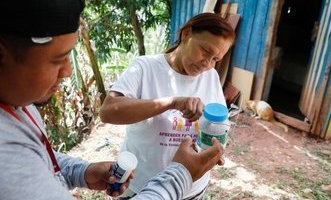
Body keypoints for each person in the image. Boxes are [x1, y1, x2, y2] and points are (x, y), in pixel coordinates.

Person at [0, 0, 225, 200]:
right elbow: (110, 110)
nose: (67, 72)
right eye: (58, 60)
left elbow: (39, 159)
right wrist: (181, 174)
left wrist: (79, 171)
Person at [100, 13, 235, 199]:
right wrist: (172, 102)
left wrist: (215, 147)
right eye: (205, 50)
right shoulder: (145, 67)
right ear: (186, 34)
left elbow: (218, 125)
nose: (207, 64)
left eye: (215, 59)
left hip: (190, 188)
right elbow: (108, 112)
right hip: (143, 188)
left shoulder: (210, 77)